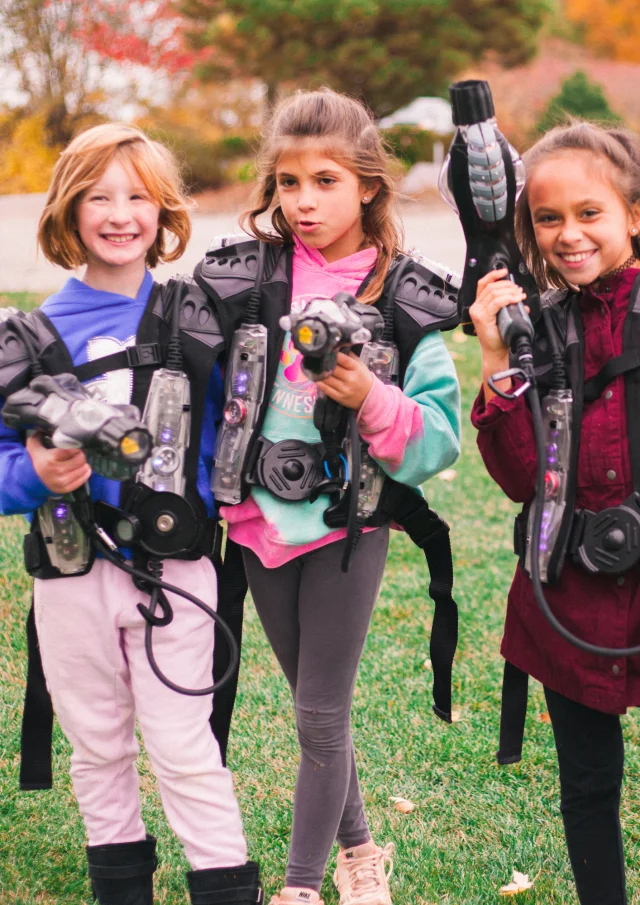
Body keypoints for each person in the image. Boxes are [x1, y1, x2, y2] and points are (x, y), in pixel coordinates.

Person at [194, 88, 461, 905]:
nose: (303, 202)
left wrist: (368, 394)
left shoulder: (402, 299)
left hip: (349, 527)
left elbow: (439, 439)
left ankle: (301, 889)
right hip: (257, 523)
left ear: (369, 186)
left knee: (317, 714)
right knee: (320, 715)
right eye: (288, 183)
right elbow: (197, 384)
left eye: (326, 181)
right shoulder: (244, 279)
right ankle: (363, 850)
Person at [0, 124, 262, 905]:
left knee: (184, 745)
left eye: (138, 196)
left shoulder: (200, 318)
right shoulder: (29, 338)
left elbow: (234, 436)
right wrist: (36, 473)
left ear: (164, 210)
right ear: (67, 213)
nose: (119, 214)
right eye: (98, 197)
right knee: (98, 748)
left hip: (175, 572)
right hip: (71, 575)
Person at [470, 120, 640, 905]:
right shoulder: (535, 329)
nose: (569, 234)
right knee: (588, 779)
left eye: (589, 212)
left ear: (632, 214)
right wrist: (498, 361)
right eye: (548, 218)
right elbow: (517, 477)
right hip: (566, 592)